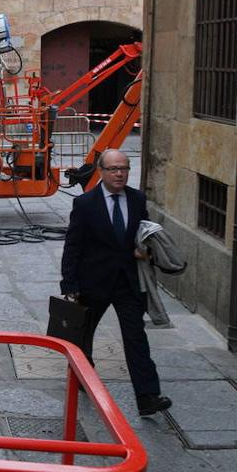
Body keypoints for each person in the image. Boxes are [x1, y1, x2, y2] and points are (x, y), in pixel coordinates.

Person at [59, 149, 172, 416]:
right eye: (113, 169)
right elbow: (73, 246)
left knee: (136, 338)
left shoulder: (137, 199)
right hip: (93, 283)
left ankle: (147, 396)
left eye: (124, 168)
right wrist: (69, 284)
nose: (120, 173)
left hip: (128, 283)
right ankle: (83, 377)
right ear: (101, 172)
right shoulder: (86, 204)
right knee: (82, 338)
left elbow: (142, 236)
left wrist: (144, 252)